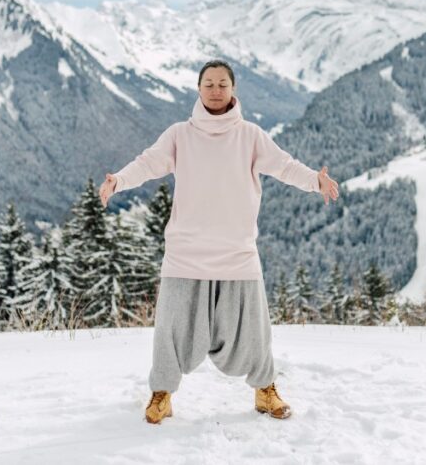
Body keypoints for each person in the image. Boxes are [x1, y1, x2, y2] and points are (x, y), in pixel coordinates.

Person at [99, 59, 340, 425]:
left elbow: (285, 165)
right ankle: (161, 394)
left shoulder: (250, 135)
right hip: (186, 253)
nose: (215, 90)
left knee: (254, 330)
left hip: (237, 253)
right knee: (171, 329)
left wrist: (315, 180)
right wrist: (118, 179)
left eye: (222, 83)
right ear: (198, 89)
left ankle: (265, 390)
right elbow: (148, 163)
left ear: (233, 90)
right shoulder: (180, 134)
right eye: (208, 83)